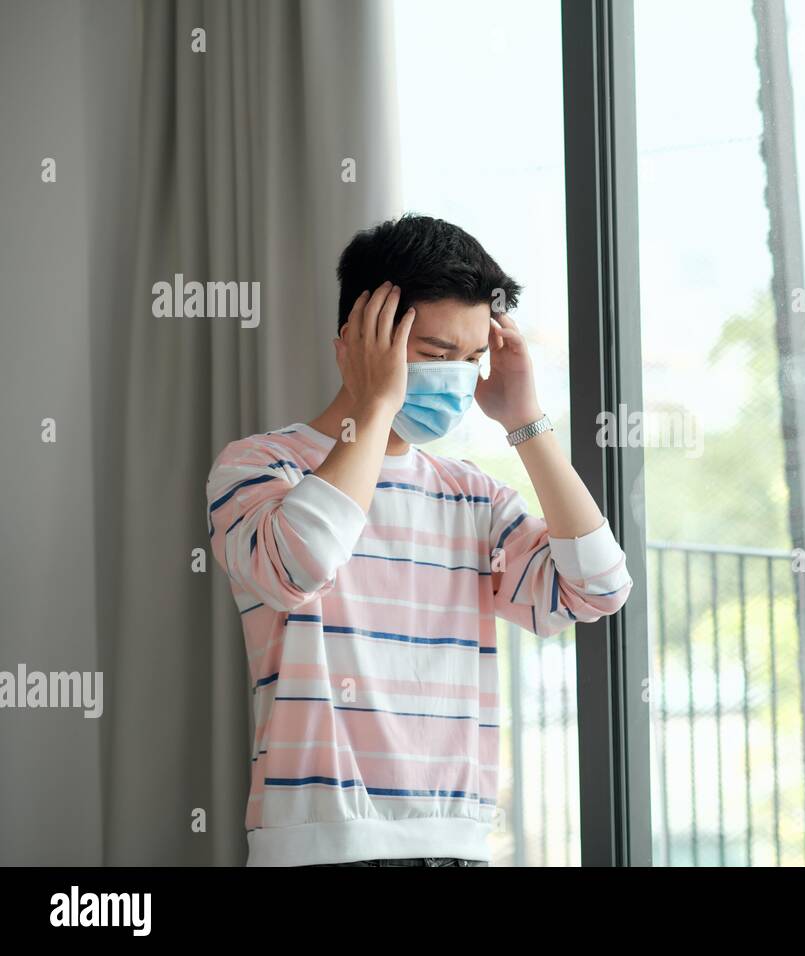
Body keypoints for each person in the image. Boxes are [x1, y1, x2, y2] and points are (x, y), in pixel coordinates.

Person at [205, 214, 633, 867]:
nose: (459, 378)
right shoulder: (260, 468)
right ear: (355, 341)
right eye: (436, 356)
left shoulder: (472, 495)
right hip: (318, 845)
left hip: (456, 846)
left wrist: (526, 422)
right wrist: (374, 408)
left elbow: (596, 588)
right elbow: (298, 563)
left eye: (472, 360)